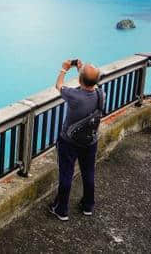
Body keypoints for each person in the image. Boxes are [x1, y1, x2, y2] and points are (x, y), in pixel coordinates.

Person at [48, 59, 104, 221]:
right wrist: (82, 70)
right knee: (88, 172)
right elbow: (90, 86)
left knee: (66, 174)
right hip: (90, 141)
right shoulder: (101, 94)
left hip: (69, 142)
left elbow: (58, 85)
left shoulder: (74, 96)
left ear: (80, 80)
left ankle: (61, 209)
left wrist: (64, 69)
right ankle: (88, 205)